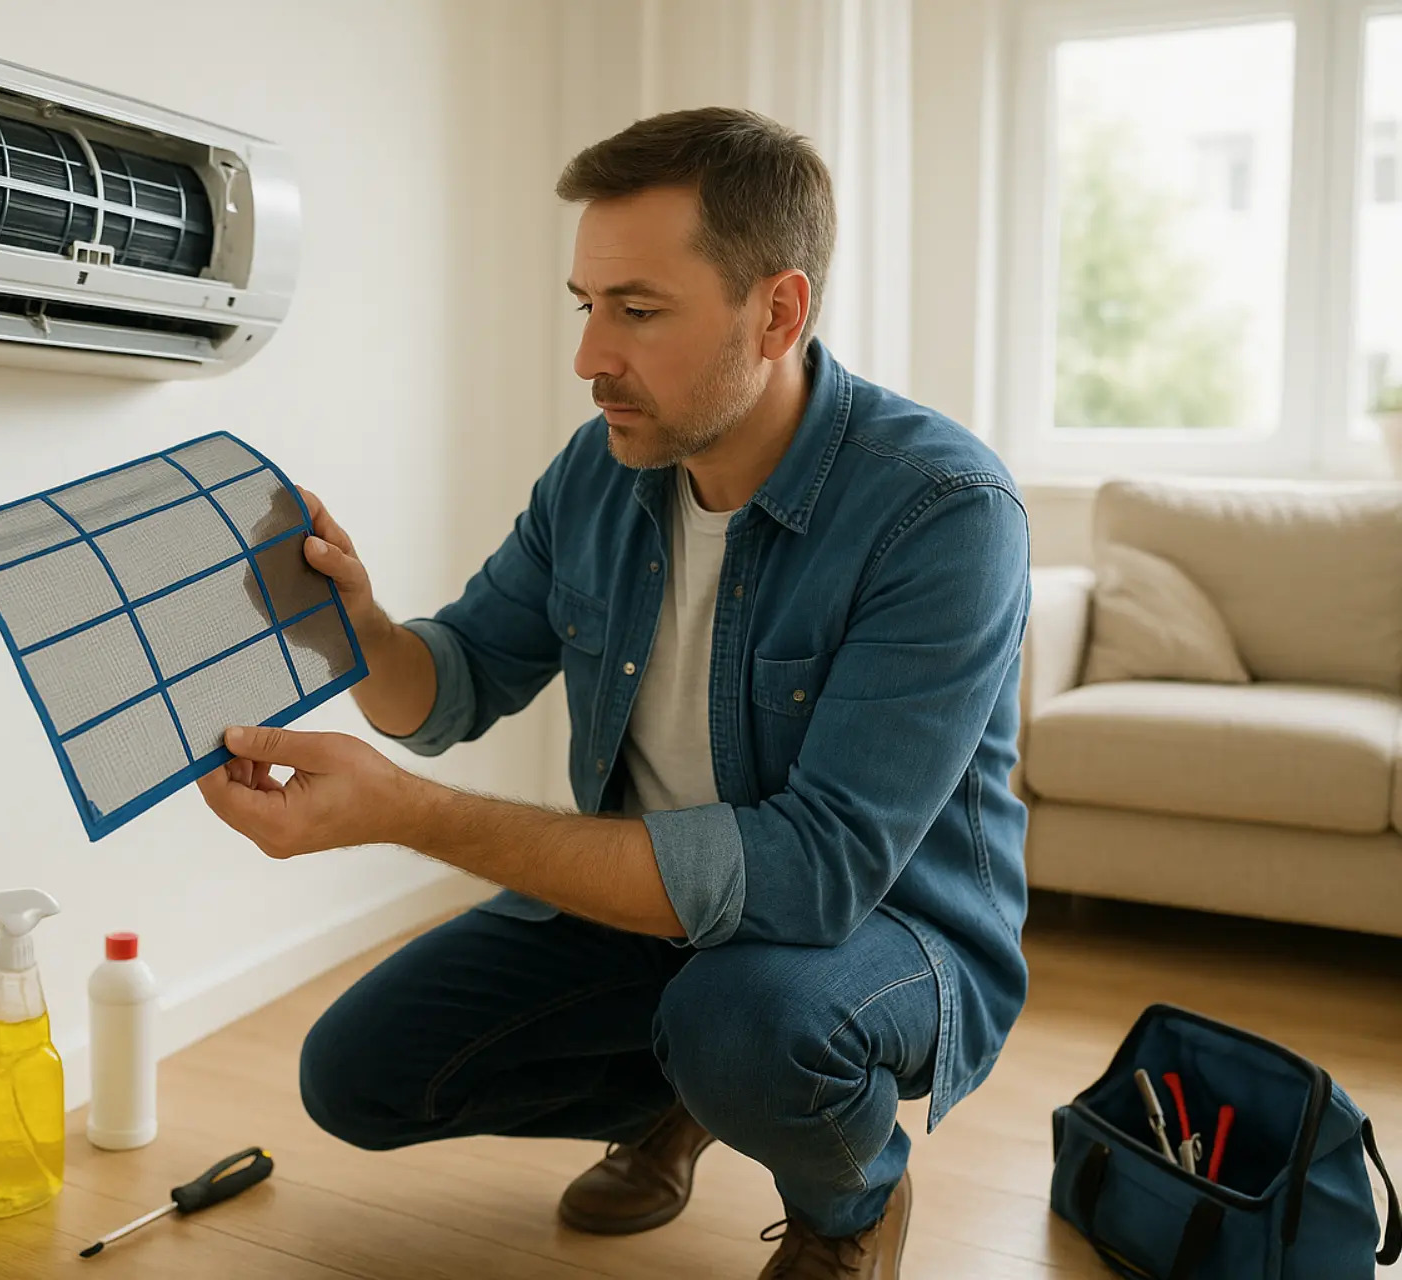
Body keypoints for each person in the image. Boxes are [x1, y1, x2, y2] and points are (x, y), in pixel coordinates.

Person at [196, 106, 1031, 1280]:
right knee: (358, 1074)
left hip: (881, 930)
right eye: (584, 305)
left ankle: (851, 1201)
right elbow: (457, 683)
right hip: (653, 908)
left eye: (636, 311)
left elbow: (816, 870)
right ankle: (687, 1095)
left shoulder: (943, 511)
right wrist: (359, 628)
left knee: (744, 1023)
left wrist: (412, 816)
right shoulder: (602, 468)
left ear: (777, 312)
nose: (589, 356)